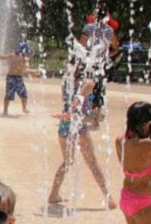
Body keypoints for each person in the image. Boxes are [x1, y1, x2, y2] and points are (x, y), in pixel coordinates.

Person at [47, 59, 117, 210]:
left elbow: (70, 100)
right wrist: (72, 112)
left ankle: (54, 194)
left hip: (64, 125)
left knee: (68, 160)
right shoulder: (89, 82)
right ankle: (108, 197)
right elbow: (79, 98)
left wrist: (70, 113)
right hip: (76, 123)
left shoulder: (66, 81)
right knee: (92, 162)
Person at [79, 8, 119, 128]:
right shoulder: (110, 30)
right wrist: (107, 55)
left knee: (86, 87)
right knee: (100, 89)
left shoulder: (89, 28)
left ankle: (84, 113)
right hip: (102, 64)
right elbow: (115, 47)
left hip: (89, 63)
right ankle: (95, 119)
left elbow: (82, 46)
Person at [0, 41, 34, 116]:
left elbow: (25, 69)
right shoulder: (13, 56)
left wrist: (31, 71)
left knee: (24, 94)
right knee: (8, 95)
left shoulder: (22, 58)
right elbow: (3, 57)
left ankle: (24, 108)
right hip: (11, 77)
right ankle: (5, 110)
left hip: (17, 78)